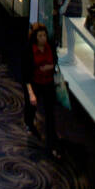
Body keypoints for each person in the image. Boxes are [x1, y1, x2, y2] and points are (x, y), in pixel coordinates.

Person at [22, 23, 61, 157]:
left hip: (48, 83)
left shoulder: (50, 47)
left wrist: (49, 67)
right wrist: (31, 93)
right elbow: (26, 75)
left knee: (50, 113)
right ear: (35, 37)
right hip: (35, 83)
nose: (43, 38)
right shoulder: (29, 51)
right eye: (40, 36)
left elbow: (55, 60)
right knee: (31, 107)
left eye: (44, 35)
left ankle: (52, 143)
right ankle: (29, 123)